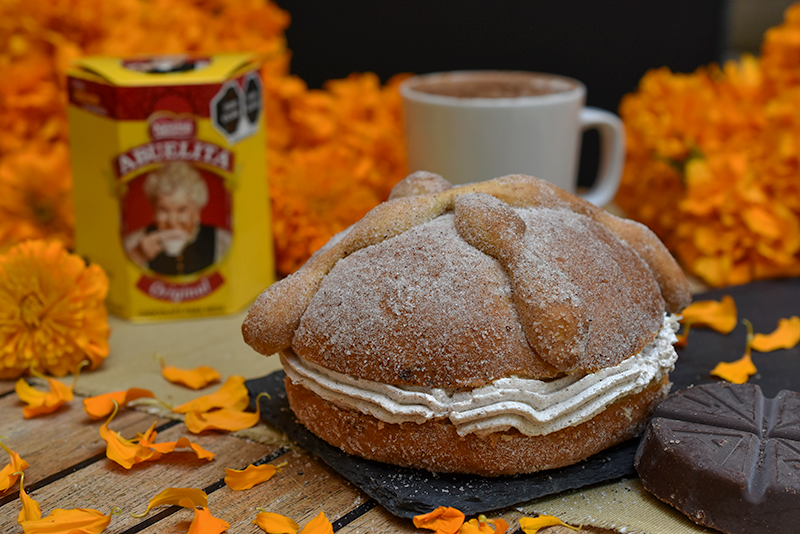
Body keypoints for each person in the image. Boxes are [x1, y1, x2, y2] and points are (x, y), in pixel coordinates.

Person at [124, 162, 231, 275]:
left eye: (181, 210)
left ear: (196, 212)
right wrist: (137, 255)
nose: (172, 222)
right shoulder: (133, 243)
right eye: (164, 210)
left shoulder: (222, 242)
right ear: (154, 210)